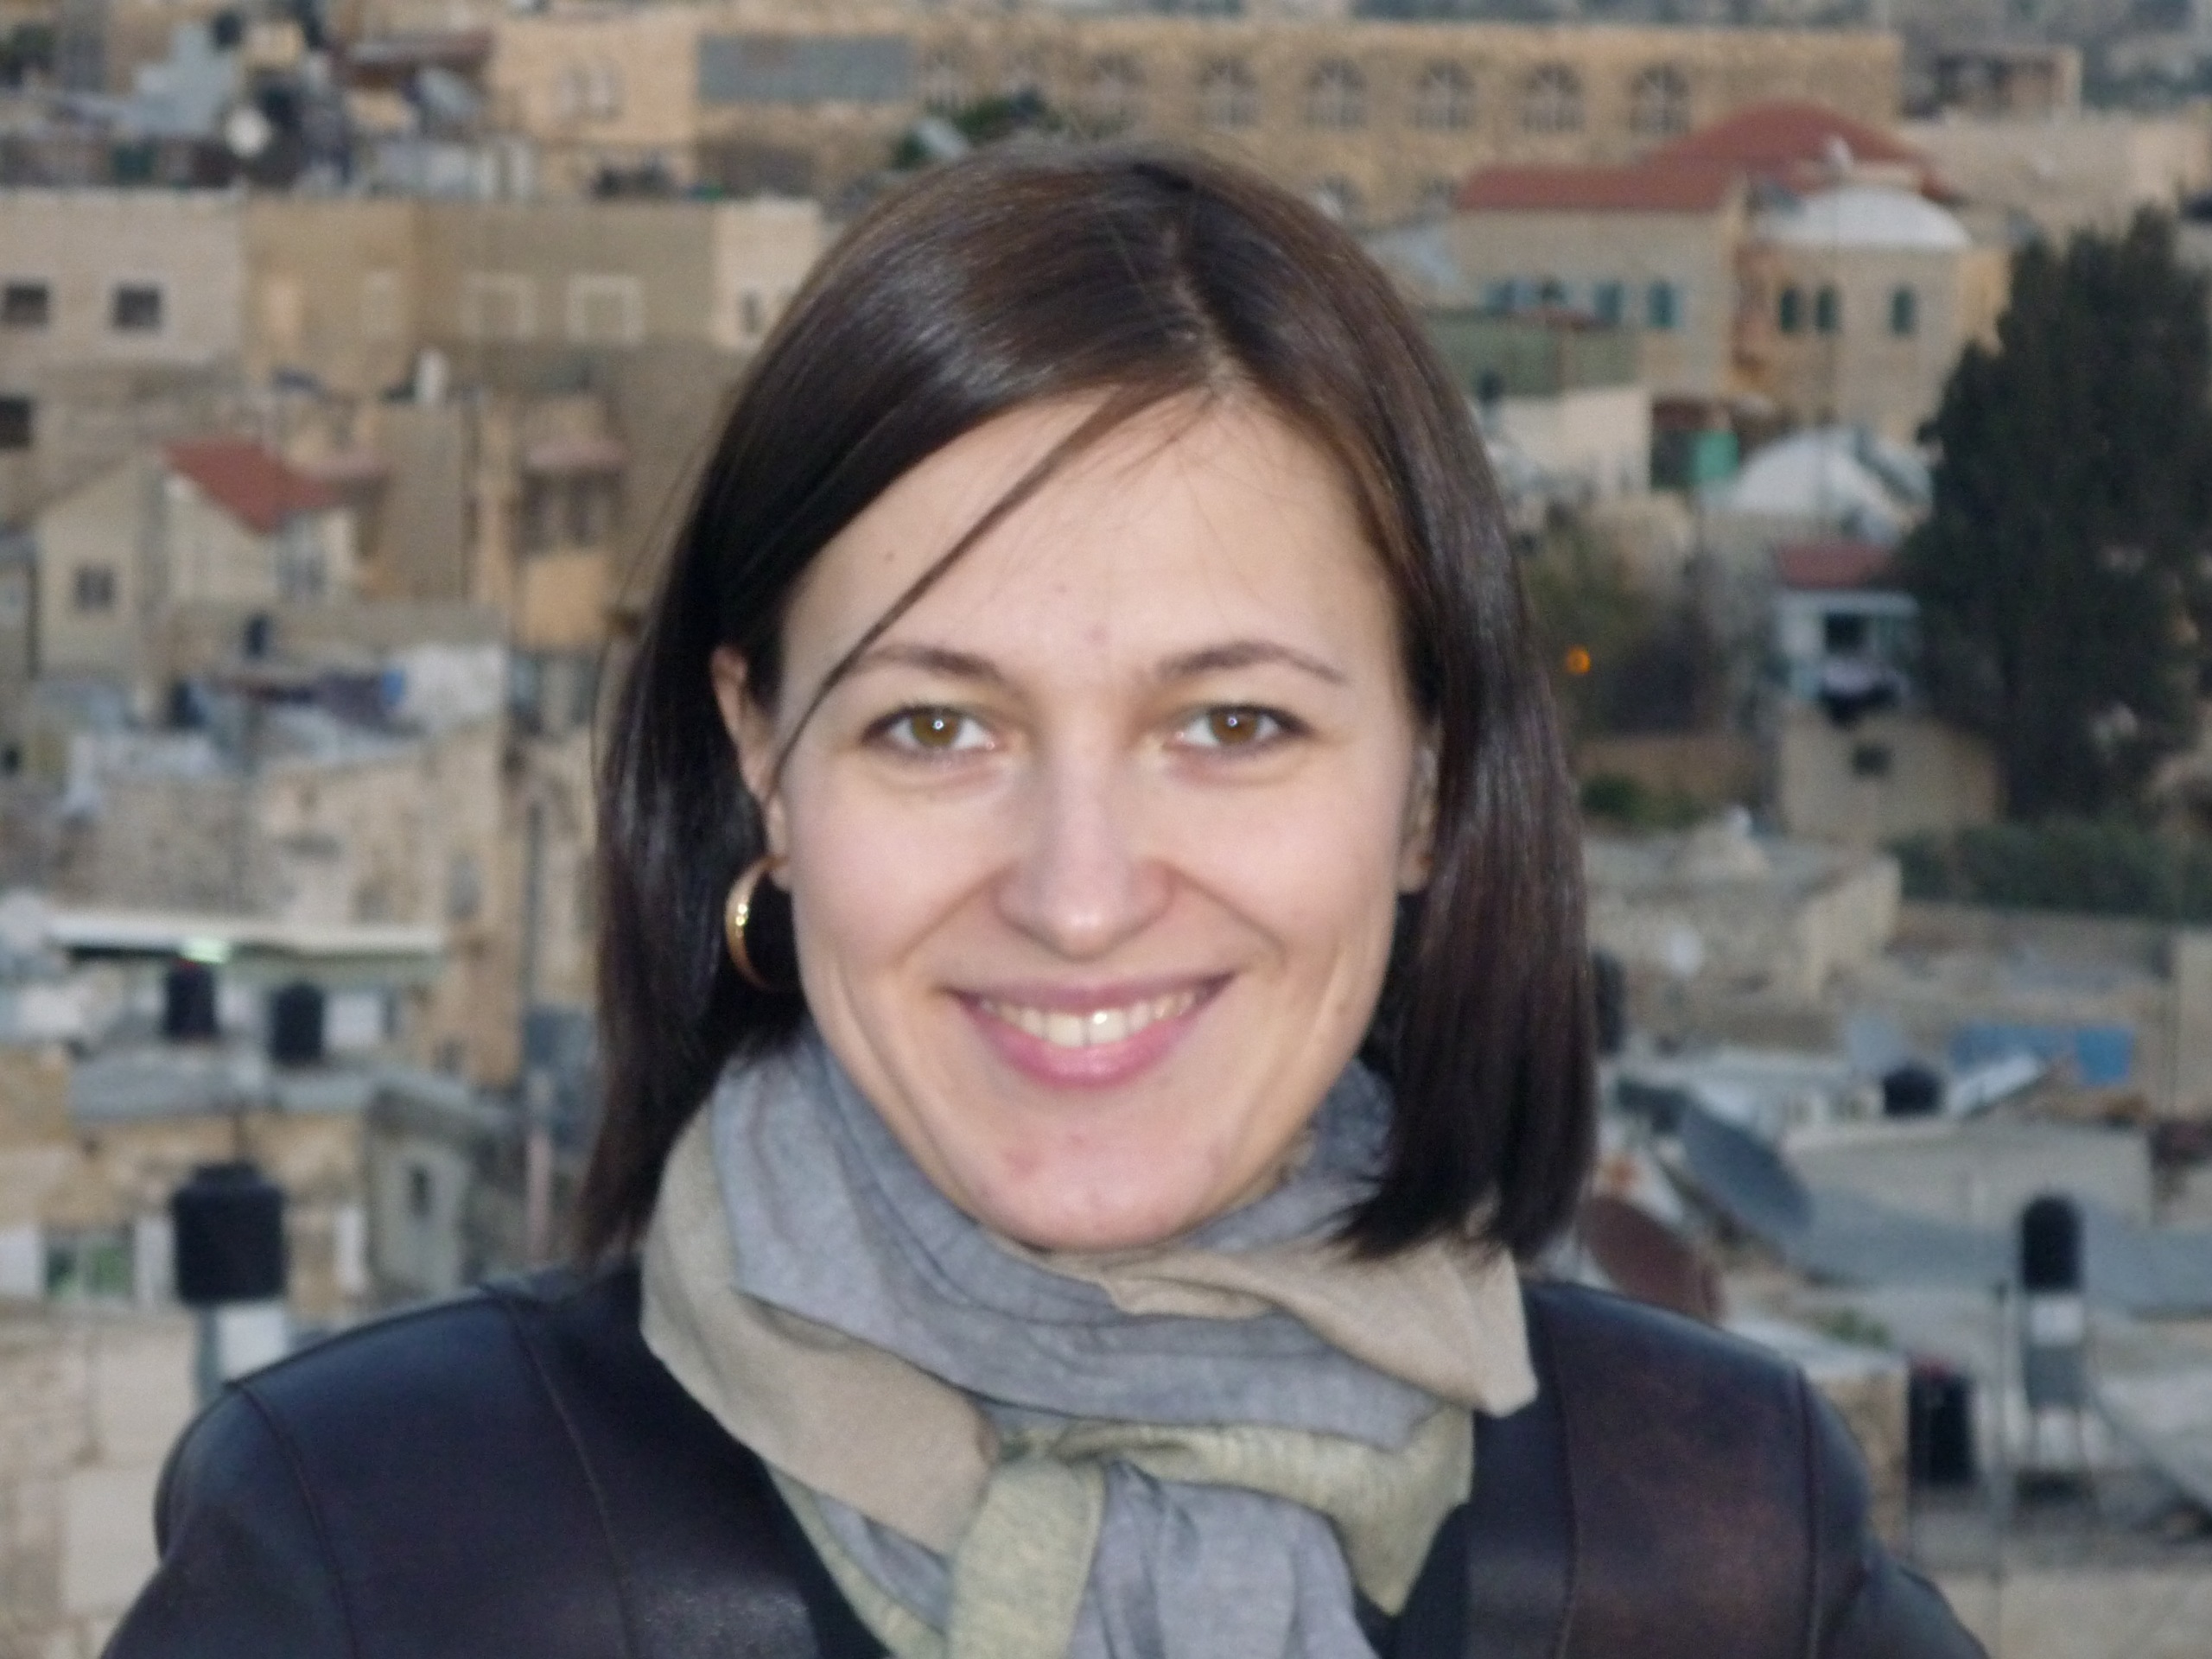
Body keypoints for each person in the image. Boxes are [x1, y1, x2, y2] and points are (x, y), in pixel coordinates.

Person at [110, 148, 1982, 1659]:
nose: (1079, 897)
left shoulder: (1711, 1551)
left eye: (1231, 724)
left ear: (1424, 781)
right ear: (764, 762)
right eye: (935, 727)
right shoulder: (389, 1559)